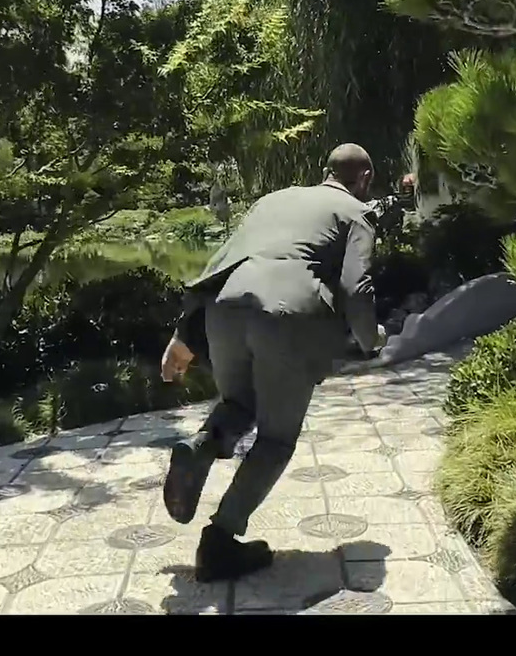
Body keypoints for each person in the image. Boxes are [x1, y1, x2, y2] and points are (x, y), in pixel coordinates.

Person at [158, 143, 385, 582]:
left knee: (239, 405)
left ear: (324, 170)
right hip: (286, 313)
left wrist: (183, 336)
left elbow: (216, 265)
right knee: (277, 439)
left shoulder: (271, 201)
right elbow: (358, 290)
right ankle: (219, 541)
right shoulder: (357, 213)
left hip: (226, 307)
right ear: (366, 179)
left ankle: (200, 448)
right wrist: (371, 339)